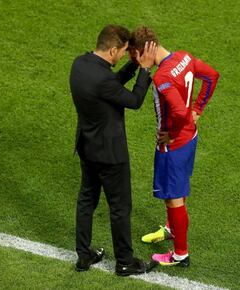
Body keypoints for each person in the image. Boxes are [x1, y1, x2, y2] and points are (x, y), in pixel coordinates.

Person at [69, 24, 158, 276]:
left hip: (87, 147)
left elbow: (110, 87)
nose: (122, 56)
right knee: (120, 208)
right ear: (112, 51)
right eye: (123, 52)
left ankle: (84, 255)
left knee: (87, 200)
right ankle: (125, 262)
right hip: (109, 155)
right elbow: (134, 100)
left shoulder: (80, 64)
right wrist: (145, 68)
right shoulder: (103, 79)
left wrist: (132, 66)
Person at [128, 26, 220, 267]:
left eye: (134, 56)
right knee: (176, 192)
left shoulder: (162, 77)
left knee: (173, 198)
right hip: (191, 138)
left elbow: (179, 112)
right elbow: (212, 76)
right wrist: (198, 109)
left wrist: (172, 134)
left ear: (143, 51)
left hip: (174, 146)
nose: (136, 62)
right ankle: (171, 228)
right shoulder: (184, 57)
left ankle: (180, 254)